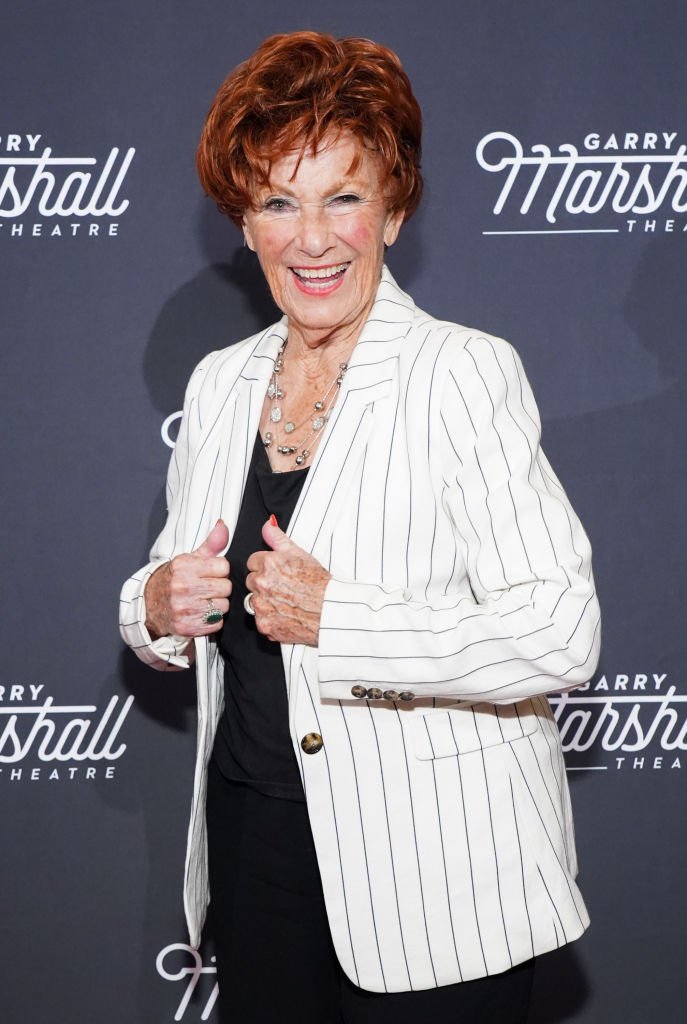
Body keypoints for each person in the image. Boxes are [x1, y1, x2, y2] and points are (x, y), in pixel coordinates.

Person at [120, 30, 600, 1024]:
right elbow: (170, 584)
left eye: (343, 196)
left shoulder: (460, 372)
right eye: (278, 203)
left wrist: (342, 618)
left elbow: (561, 630)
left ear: (395, 209)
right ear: (243, 225)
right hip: (254, 854)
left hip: (436, 871)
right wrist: (158, 604)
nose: (312, 236)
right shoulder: (219, 385)